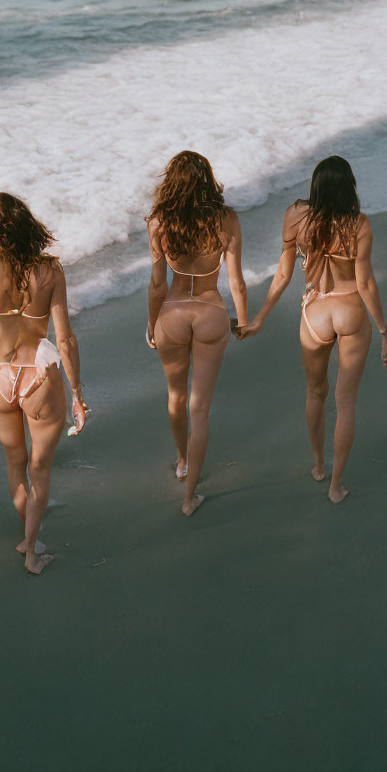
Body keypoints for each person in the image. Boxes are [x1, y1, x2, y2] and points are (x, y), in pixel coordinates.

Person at [237, 155, 387, 503]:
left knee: (314, 394)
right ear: (348, 187)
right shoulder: (360, 225)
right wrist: (384, 331)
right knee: (345, 404)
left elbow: (283, 272)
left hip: (315, 314)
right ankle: (336, 487)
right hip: (351, 311)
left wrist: (261, 317)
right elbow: (366, 283)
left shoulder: (295, 216)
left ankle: (319, 466)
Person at [0, 193, 87, 575]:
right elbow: (64, 339)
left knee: (15, 462)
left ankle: (26, 533)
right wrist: (78, 394)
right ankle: (32, 551)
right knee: (40, 470)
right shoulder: (50, 271)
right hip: (39, 375)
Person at [145, 151, 248, 516]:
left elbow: (158, 284)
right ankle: (190, 498)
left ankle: (181, 460)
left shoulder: (159, 224)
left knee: (176, 397)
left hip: (171, 313)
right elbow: (235, 279)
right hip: (210, 312)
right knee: (199, 407)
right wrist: (245, 319)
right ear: (208, 181)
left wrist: (150, 322)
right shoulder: (226, 220)